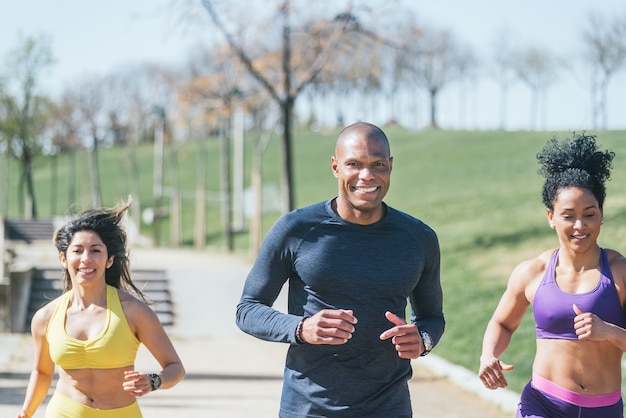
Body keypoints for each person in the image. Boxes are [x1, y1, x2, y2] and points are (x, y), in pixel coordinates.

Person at [236, 121, 445, 417]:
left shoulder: (419, 238)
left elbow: (432, 318)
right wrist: (300, 328)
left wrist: (423, 340)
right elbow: (248, 309)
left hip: (389, 407)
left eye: (378, 164)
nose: (367, 176)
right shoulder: (296, 229)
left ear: (391, 167)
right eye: (354, 164)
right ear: (335, 167)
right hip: (309, 408)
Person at [478, 133, 626, 417]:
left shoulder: (620, 272)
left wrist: (609, 332)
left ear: (602, 214)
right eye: (568, 215)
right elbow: (503, 323)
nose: (580, 225)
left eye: (590, 214)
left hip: (604, 410)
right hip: (543, 405)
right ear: (551, 217)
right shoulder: (531, 272)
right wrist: (488, 355)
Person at [17, 200, 185, 418]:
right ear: (63, 259)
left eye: (95, 250)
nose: (86, 259)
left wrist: (153, 381)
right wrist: (25, 412)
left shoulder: (133, 312)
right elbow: (41, 372)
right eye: (77, 250)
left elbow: (175, 367)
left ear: (109, 260)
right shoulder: (45, 317)